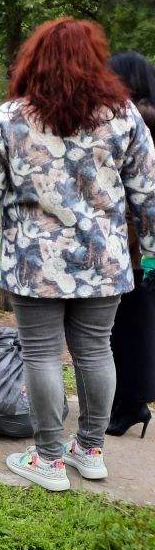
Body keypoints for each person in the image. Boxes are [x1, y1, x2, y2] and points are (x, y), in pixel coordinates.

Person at [0, 18, 155, 492]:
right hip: (105, 261)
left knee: (41, 355)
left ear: (34, 60)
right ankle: (92, 450)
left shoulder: (12, 117)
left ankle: (48, 458)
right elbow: (148, 191)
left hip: (35, 262)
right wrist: (153, 250)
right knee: (97, 350)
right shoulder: (124, 115)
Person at [105, 50, 155, 438]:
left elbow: (141, 195)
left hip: (138, 247)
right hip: (137, 242)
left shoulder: (141, 121)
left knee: (131, 326)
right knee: (130, 324)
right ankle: (128, 400)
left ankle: (133, 404)